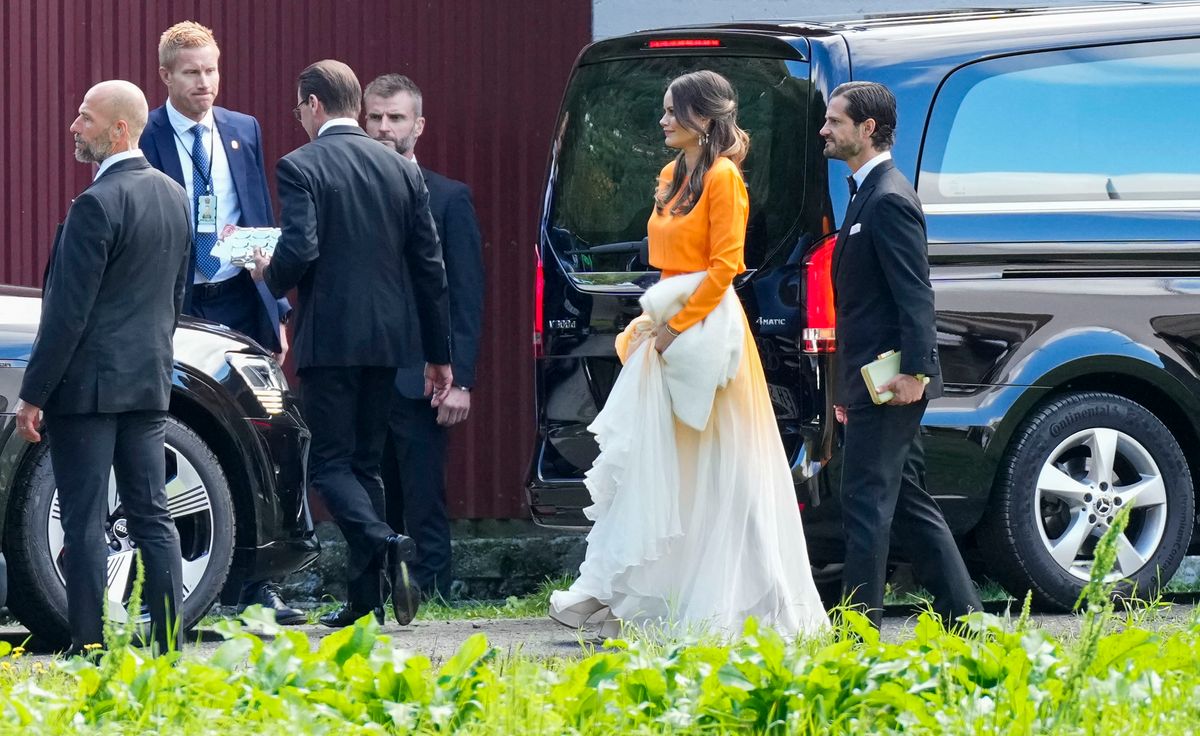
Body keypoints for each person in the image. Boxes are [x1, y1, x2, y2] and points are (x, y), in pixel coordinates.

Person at [548, 70, 829, 638]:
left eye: (673, 111)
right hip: (667, 322)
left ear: (703, 119)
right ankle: (638, 591)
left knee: (721, 467)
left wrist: (676, 324)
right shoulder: (671, 174)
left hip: (706, 334)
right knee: (664, 465)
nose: (663, 121)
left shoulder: (725, 179)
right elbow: (664, 261)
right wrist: (654, 319)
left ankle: (731, 598)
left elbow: (726, 265)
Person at [250, 60, 453, 628]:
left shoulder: (300, 165)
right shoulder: (401, 170)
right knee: (367, 468)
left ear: (314, 105)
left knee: (331, 468)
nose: (298, 119)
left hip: (331, 338)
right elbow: (430, 268)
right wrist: (439, 357)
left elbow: (302, 250)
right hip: (390, 342)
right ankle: (366, 602)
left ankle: (385, 541)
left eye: (298, 108)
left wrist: (270, 270)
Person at [14, 80, 190, 655]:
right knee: (152, 515)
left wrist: (33, 394)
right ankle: (168, 643)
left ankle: (88, 644)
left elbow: (67, 314)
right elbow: (175, 298)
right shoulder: (172, 195)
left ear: (119, 129)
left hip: (87, 391)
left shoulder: (95, 204)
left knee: (85, 520)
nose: (74, 126)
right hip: (148, 383)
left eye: (85, 118)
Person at [139, 20, 304, 625]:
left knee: (258, 433)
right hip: (180, 305)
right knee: (188, 430)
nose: (205, 83)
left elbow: (253, 211)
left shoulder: (241, 130)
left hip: (238, 298)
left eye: (211, 70)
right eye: (191, 72)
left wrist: (276, 307)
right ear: (166, 77)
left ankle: (257, 587)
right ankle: (189, 575)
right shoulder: (148, 134)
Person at [820, 80, 982, 629]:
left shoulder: (889, 198)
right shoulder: (868, 194)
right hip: (869, 382)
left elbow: (916, 294)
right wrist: (846, 387)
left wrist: (916, 371)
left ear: (867, 129)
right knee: (907, 501)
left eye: (834, 121)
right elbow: (865, 306)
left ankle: (855, 632)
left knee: (865, 505)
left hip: (891, 382)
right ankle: (969, 619)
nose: (825, 129)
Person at [363, 74, 484, 601]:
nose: (385, 127)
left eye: (396, 117)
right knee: (370, 491)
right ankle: (379, 590)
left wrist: (463, 378)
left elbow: (466, 295)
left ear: (419, 125)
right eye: (376, 117)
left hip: (425, 376)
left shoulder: (450, 198)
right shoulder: (348, 190)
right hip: (364, 372)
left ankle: (433, 590)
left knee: (423, 492)